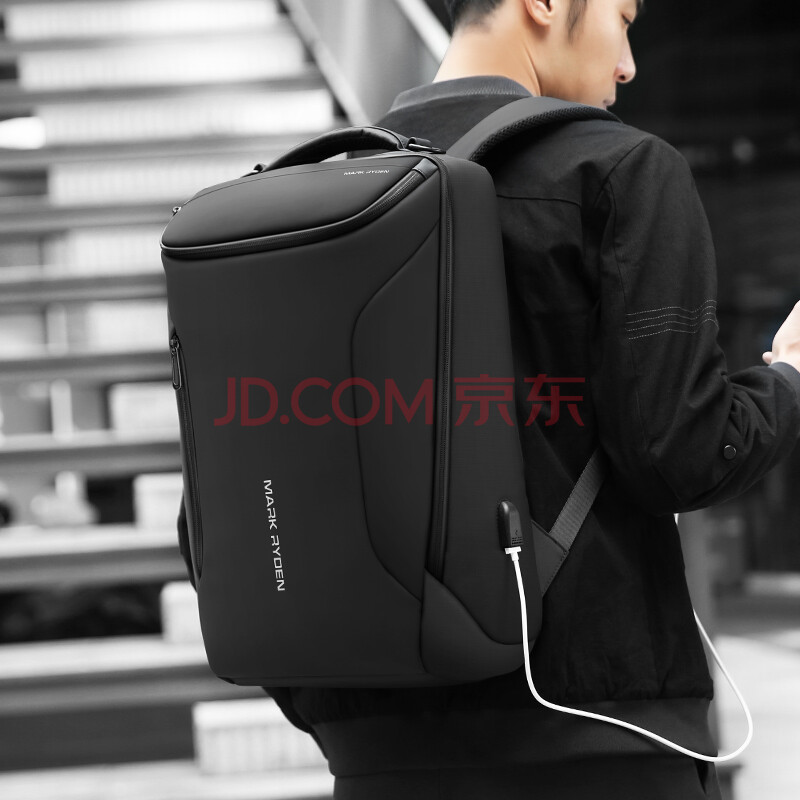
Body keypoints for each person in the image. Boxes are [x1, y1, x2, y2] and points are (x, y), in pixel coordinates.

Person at [258, 0, 800, 797]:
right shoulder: (618, 171)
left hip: (375, 749)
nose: (628, 64)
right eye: (623, 18)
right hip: (596, 738)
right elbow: (680, 452)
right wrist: (788, 381)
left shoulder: (310, 201)